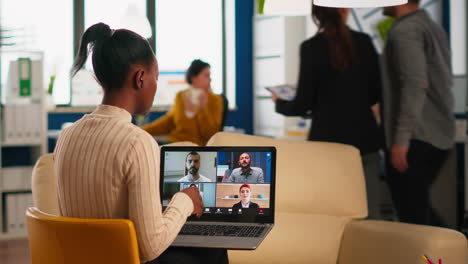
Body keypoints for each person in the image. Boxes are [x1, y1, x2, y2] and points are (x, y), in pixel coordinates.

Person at [54, 22, 228, 264]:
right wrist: (185, 200)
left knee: (207, 250)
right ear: (140, 78)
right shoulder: (138, 143)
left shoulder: (67, 135)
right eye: (156, 78)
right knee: (216, 250)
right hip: (123, 258)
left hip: (79, 257)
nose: (156, 87)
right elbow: (150, 247)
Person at [272, 5, 383, 219]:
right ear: (345, 9)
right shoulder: (365, 43)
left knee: (332, 217)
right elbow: (375, 94)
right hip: (365, 141)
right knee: (371, 217)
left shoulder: (311, 48)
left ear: (316, 15)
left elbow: (303, 104)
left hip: (327, 146)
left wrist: (280, 103)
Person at [382, 0, 454, 226]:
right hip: (437, 132)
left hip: (416, 136)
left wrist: (401, 140)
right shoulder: (430, 26)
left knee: (413, 217)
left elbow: (414, 84)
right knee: (416, 210)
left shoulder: (406, 30)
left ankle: (450, 255)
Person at [142, 59, 224, 146]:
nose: (210, 79)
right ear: (194, 78)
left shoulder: (216, 100)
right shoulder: (181, 96)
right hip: (175, 142)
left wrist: (202, 109)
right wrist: (141, 130)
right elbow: (168, 122)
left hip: (197, 147)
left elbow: (210, 134)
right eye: (207, 75)